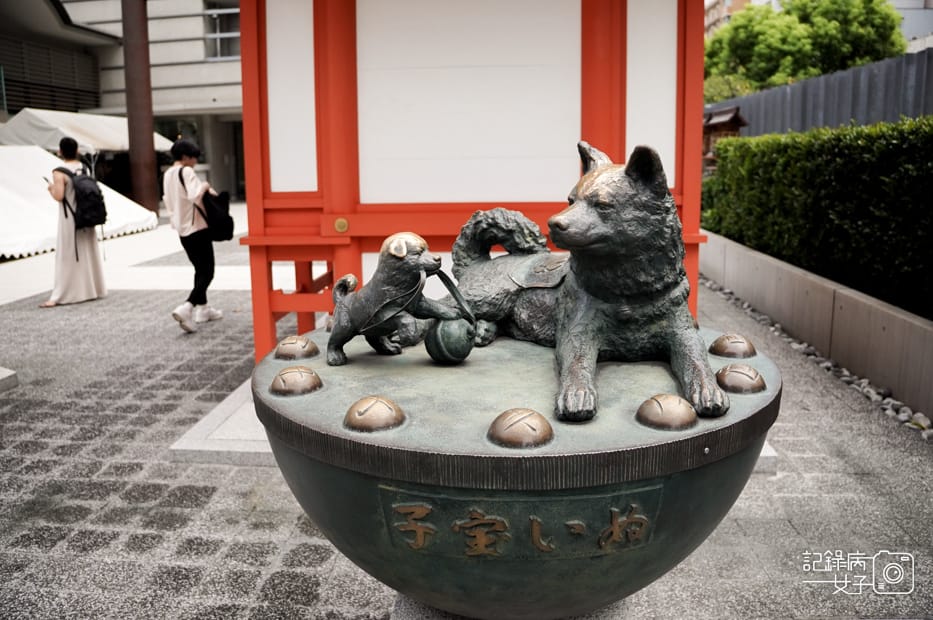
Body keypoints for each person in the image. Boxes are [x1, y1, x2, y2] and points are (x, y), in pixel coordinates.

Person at [163, 139, 222, 332]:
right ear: (186, 157)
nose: (196, 161)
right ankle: (187, 307)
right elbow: (195, 195)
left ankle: (203, 309)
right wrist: (205, 185)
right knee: (208, 271)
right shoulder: (186, 171)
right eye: (194, 157)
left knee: (199, 269)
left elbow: (167, 201)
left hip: (182, 230)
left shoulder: (168, 174)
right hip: (197, 227)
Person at [41, 137, 107, 308]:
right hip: (86, 215)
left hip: (69, 218)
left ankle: (63, 293)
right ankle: (92, 289)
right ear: (76, 150)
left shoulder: (59, 172)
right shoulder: (83, 167)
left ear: (60, 151)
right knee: (87, 251)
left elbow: (59, 196)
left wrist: (50, 188)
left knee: (68, 254)